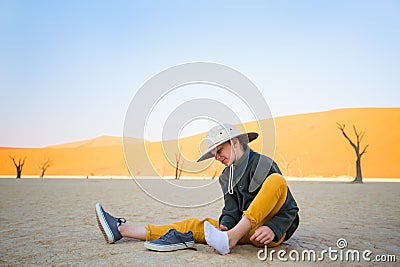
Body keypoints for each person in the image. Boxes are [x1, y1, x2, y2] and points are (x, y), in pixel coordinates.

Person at [95, 123, 299, 254]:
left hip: (267, 234)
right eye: (215, 155)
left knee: (277, 181)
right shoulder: (225, 177)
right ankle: (122, 230)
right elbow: (230, 210)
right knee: (196, 225)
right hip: (243, 232)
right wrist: (225, 226)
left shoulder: (263, 163)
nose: (218, 158)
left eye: (219, 150)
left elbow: (291, 211)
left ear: (235, 142)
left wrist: (274, 228)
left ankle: (230, 239)